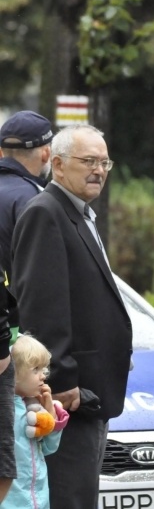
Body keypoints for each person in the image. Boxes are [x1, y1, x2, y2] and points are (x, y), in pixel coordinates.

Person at [10, 124, 133, 509]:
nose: (98, 170)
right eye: (88, 161)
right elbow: (42, 306)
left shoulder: (79, 213)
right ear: (58, 165)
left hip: (91, 394)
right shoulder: (45, 213)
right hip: (69, 397)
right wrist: (60, 381)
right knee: (70, 499)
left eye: (104, 162)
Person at [0, 110, 54, 503]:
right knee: (11, 458)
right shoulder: (33, 199)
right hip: (13, 343)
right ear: (47, 153)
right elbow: (36, 284)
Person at [1, 334, 69, 508]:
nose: (43, 376)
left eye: (44, 369)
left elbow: (48, 448)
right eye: (35, 369)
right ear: (12, 371)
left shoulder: (33, 406)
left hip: (38, 500)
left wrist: (50, 413)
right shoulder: (5, 409)